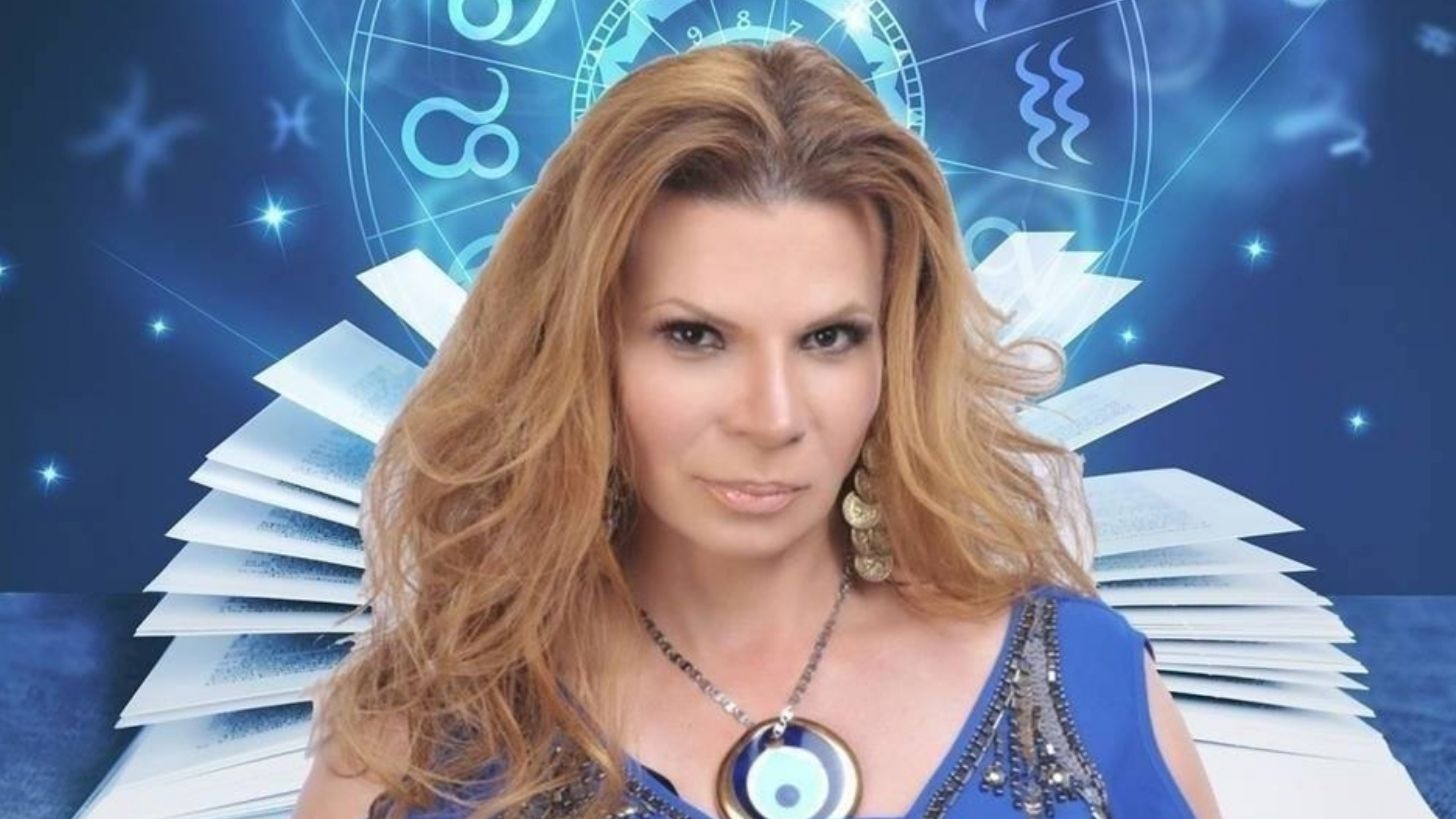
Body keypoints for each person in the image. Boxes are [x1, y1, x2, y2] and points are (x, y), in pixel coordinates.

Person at [294, 38, 1221, 819]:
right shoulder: (416, 739)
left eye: (829, 338)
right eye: (695, 336)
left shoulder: (1086, 682)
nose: (772, 417)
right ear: (580, 348)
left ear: (896, 352)